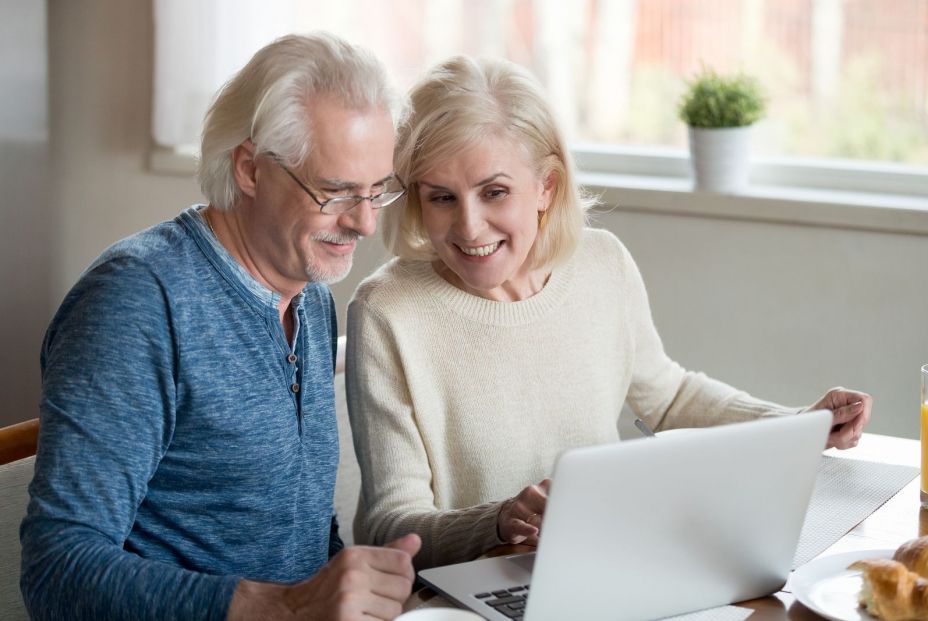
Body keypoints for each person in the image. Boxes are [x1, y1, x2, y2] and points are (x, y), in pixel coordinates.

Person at [344, 55, 873, 570]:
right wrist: (499, 521)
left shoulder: (602, 263)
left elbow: (669, 396)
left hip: (610, 566)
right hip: (467, 597)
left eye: (495, 192)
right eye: (441, 198)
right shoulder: (388, 311)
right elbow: (393, 524)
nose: (470, 227)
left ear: (546, 187)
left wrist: (798, 425)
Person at [21, 33, 421, 620]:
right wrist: (281, 607)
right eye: (336, 192)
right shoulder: (137, 302)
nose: (363, 223)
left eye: (375, 191)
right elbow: (56, 570)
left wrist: (363, 593)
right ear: (250, 168)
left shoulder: (308, 293)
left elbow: (295, 536)